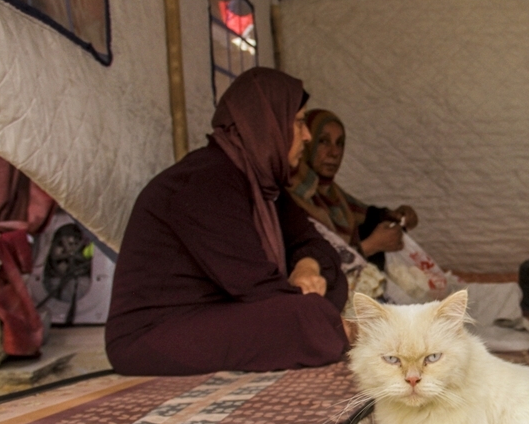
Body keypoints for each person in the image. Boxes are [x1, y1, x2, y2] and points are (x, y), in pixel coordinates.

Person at [105, 68, 349, 375]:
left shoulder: (265, 187)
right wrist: (308, 302)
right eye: (299, 123)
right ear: (267, 123)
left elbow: (316, 245)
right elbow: (256, 286)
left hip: (220, 313)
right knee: (303, 314)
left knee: (330, 283)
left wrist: (307, 267)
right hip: (153, 334)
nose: (307, 136)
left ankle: (327, 327)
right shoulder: (205, 181)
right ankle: (346, 333)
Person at [286, 109, 418, 270]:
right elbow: (307, 262)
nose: (334, 153)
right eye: (323, 141)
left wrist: (396, 216)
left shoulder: (333, 194)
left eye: (339, 143)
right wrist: (370, 246)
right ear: (307, 143)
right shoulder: (290, 196)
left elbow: (365, 214)